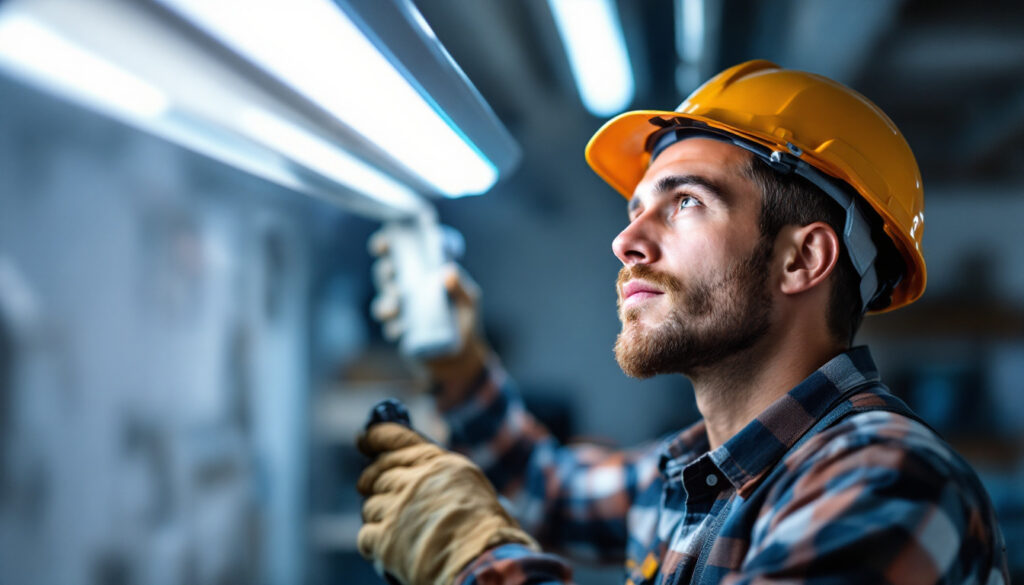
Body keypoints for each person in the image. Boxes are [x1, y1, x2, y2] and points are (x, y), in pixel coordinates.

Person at [355, 60, 1010, 585]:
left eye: (686, 202)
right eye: (636, 208)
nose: (627, 241)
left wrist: (475, 563)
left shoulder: (888, 482)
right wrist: (459, 365)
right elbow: (546, 489)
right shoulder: (705, 472)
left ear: (801, 259)